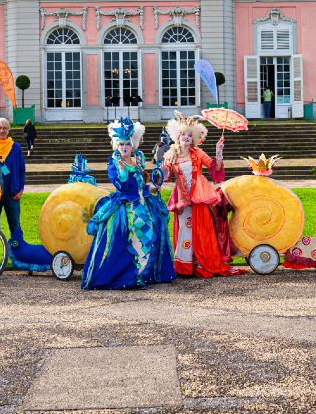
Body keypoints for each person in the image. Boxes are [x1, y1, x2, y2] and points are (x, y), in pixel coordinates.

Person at [82, 118, 175, 290]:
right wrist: (123, 172)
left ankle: (144, 274)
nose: (125, 147)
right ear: (116, 145)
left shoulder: (138, 159)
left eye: (128, 144)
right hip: (127, 207)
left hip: (144, 205)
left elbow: (144, 186)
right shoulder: (114, 164)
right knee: (126, 237)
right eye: (121, 144)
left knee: (151, 234)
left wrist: (157, 183)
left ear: (133, 145)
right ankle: (129, 275)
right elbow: (121, 186)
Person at [163, 113, 240, 277]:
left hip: (199, 196)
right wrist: (162, 169)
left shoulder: (198, 153)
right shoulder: (171, 155)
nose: (186, 137)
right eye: (183, 134)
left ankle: (200, 262)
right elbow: (165, 176)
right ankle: (184, 265)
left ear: (194, 138)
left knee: (201, 229)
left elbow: (214, 168)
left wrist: (218, 153)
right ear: (177, 136)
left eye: (190, 135)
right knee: (184, 228)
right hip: (182, 198)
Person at [0, 117, 42, 271]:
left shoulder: (15, 147)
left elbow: (21, 170)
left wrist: (20, 189)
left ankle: (20, 258)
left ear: (9, 130)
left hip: (12, 194)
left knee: (15, 227)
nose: (2, 130)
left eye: (5, 128)